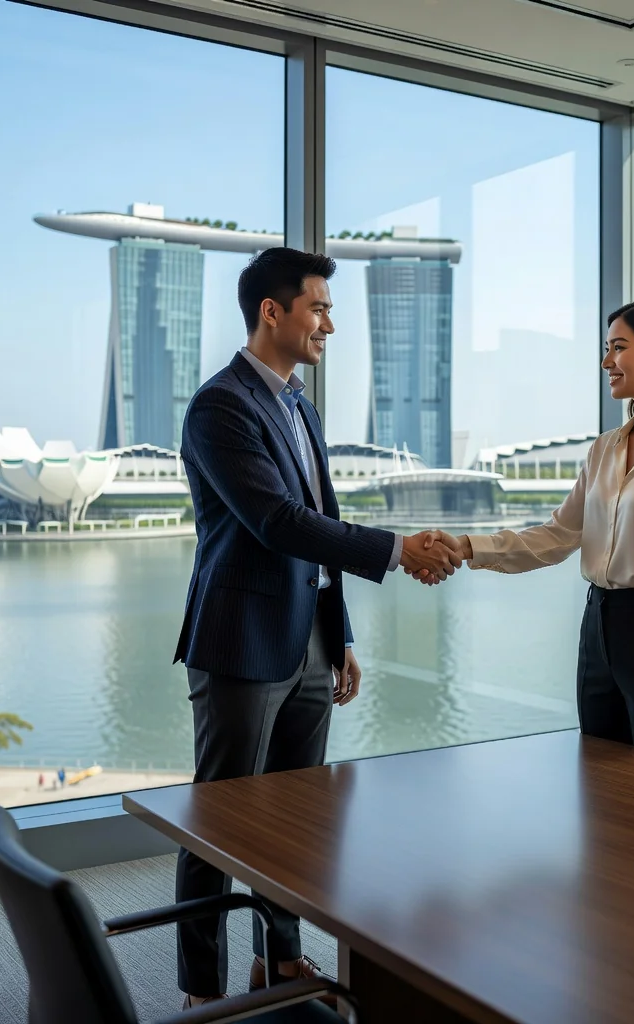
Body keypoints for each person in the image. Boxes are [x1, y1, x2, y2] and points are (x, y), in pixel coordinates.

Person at [173, 247, 462, 1009]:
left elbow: (320, 524)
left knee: (295, 820)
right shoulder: (220, 405)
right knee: (219, 822)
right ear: (273, 311)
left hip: (308, 641)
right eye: (319, 308)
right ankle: (200, 992)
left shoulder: (300, 404)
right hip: (240, 639)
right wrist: (400, 549)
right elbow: (276, 521)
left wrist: (342, 637)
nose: (330, 324)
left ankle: (280, 961)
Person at [415, 298, 634, 759]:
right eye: (607, 349)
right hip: (599, 627)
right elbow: (557, 536)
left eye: (619, 348)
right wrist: (466, 547)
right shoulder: (605, 449)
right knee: (602, 784)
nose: (607, 362)